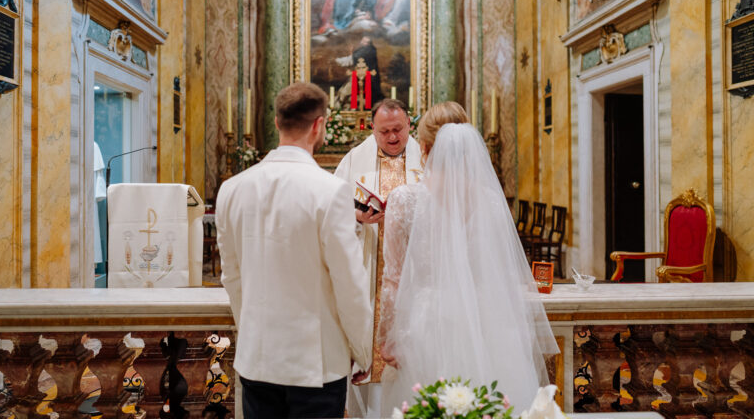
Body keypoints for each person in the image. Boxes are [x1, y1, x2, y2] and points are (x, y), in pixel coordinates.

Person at [377, 102, 559, 416]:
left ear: (424, 148)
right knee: (490, 403)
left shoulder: (404, 200)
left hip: (426, 324)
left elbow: (393, 279)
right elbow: (501, 273)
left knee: (425, 406)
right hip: (485, 322)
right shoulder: (491, 201)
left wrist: (387, 337)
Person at [216, 82, 373, 419]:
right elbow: (349, 285)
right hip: (315, 365)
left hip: (257, 358)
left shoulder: (231, 189)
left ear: (277, 122)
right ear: (319, 125)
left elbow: (232, 278)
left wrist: (253, 333)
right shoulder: (330, 191)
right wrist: (364, 352)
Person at [334, 98, 423, 417]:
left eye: (398, 129)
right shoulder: (354, 160)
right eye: (384, 131)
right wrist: (357, 217)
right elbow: (331, 210)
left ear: (409, 125)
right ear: (372, 129)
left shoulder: (427, 159)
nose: (393, 137)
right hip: (368, 266)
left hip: (413, 270)